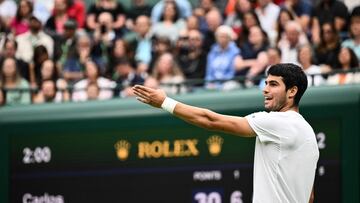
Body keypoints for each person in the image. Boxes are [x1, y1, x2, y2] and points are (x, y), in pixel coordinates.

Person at [133, 63, 319, 203]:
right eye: (266, 83)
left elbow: (211, 120)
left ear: (292, 91)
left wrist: (165, 102)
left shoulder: (277, 122)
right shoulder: (309, 134)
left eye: (273, 84)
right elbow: (309, 196)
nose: (265, 89)